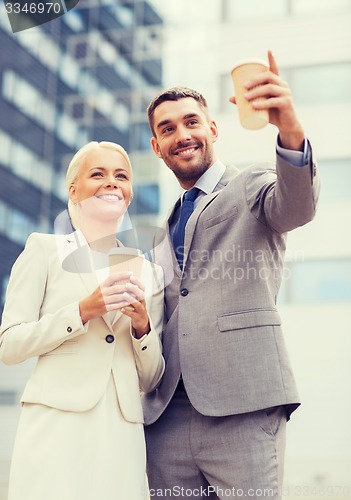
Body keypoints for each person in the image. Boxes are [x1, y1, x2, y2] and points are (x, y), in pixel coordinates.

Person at [142, 50, 320, 500]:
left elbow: (295, 206)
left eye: (191, 122)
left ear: (212, 128)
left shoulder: (252, 184)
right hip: (167, 419)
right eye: (168, 129)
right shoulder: (162, 229)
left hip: (243, 404)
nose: (182, 135)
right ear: (156, 146)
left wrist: (289, 129)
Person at [0, 141, 165, 500]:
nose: (112, 182)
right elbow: (10, 346)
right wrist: (82, 311)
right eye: (98, 174)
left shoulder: (148, 271)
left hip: (121, 430)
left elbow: (152, 378)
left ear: (130, 193)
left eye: (121, 176)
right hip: (57, 422)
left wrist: (141, 328)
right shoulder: (43, 250)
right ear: (74, 189)